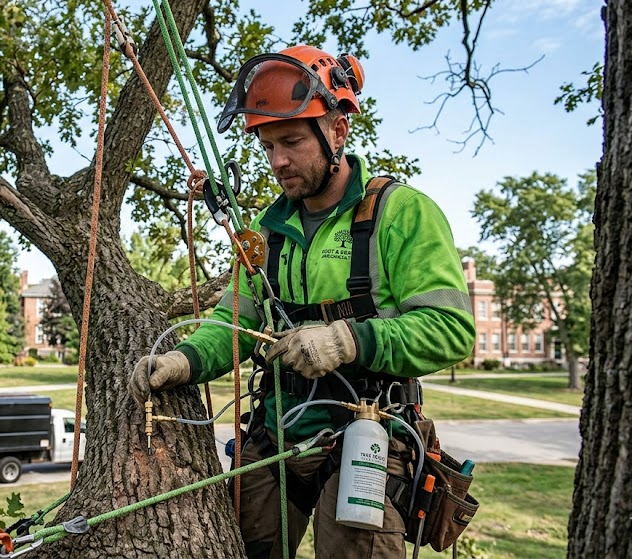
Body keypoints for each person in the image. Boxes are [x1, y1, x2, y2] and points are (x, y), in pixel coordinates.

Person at [128, 45, 475, 559]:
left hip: (367, 432)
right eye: (267, 147)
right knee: (242, 546)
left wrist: (348, 339)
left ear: (337, 131)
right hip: (277, 432)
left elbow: (451, 329)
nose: (278, 161)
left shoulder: (400, 214)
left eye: (290, 141)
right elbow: (235, 320)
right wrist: (186, 360)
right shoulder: (271, 233)